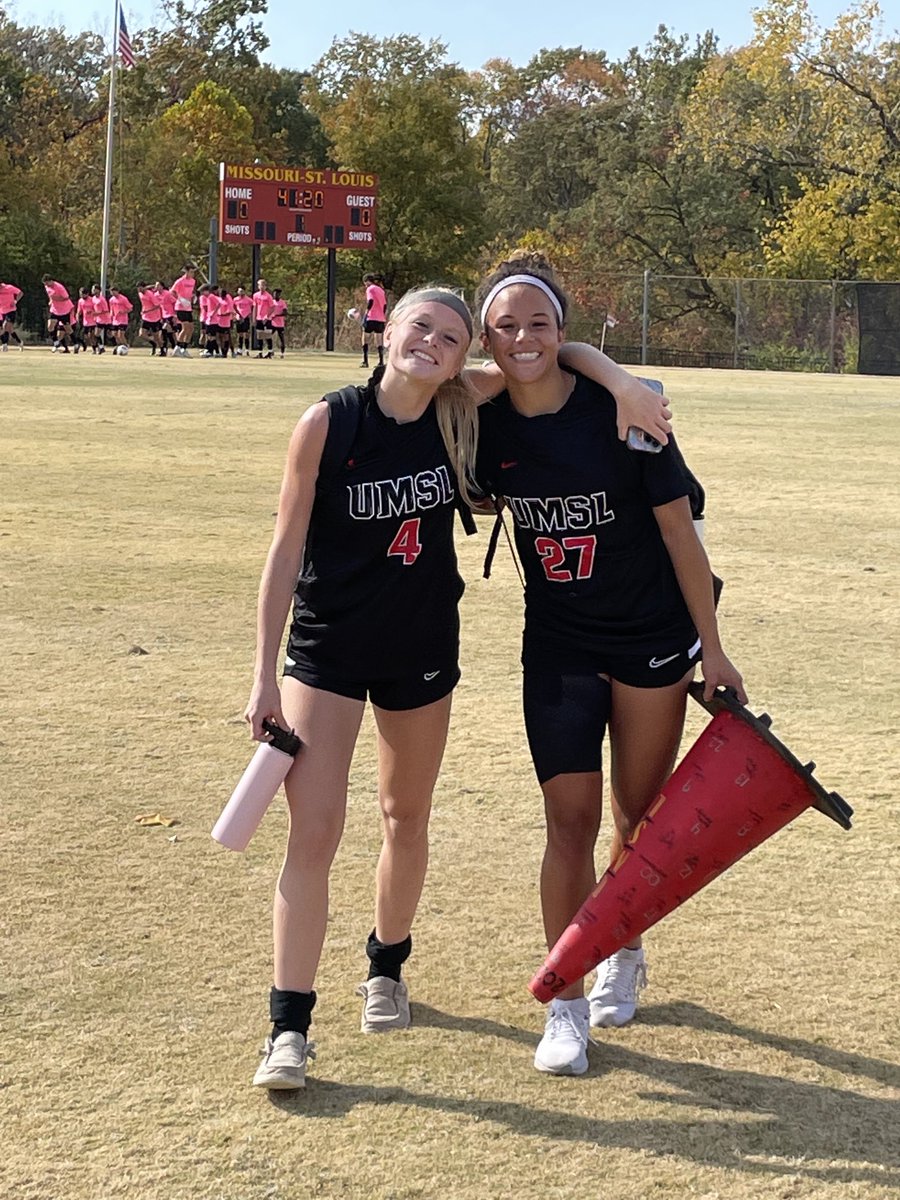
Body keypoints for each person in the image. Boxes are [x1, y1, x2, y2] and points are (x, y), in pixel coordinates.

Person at [240, 282, 673, 1091]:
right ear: (387, 331)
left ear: (459, 358)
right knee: (314, 834)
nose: (432, 344)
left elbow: (543, 350)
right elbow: (283, 551)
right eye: (420, 327)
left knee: (404, 816)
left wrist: (622, 383)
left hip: (422, 648)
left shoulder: (458, 409)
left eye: (450, 338)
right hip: (327, 654)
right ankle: (288, 1029)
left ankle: (386, 967)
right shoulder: (329, 421)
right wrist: (262, 675)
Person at [473, 254, 746, 1077]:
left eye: (540, 323)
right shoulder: (482, 423)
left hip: (649, 636)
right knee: (568, 821)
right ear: (486, 338)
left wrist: (714, 648)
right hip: (558, 641)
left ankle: (623, 949)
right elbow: (428, 382)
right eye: (506, 326)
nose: (524, 339)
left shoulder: (627, 412)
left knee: (636, 817)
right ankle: (563, 1002)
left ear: (563, 330)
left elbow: (679, 534)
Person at [359, 273, 387, 369]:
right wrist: (382, 315)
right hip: (380, 318)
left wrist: (366, 313)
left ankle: (365, 361)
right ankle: (381, 361)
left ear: (367, 281)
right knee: (379, 340)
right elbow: (384, 305)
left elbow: (370, 301)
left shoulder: (370, 289)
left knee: (365, 338)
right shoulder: (381, 290)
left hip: (371, 317)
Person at [42, 276, 74, 352]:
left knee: (67, 329)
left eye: (47, 283)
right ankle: (56, 343)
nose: (46, 285)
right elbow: (50, 295)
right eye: (45, 284)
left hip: (63, 310)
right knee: (50, 326)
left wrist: (56, 299)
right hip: (54, 309)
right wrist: (51, 300)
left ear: (51, 281)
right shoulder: (46, 286)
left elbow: (66, 297)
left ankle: (76, 343)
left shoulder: (59, 287)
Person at [172, 264, 197, 356]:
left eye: (193, 272)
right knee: (185, 327)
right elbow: (172, 291)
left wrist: (193, 297)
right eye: (191, 272)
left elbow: (191, 292)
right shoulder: (180, 281)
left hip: (188, 307)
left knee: (191, 328)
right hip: (180, 307)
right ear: (186, 272)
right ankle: (177, 347)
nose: (192, 274)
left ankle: (184, 348)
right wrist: (180, 299)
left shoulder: (193, 281)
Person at [136, 282, 164, 354]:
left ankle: (162, 350)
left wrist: (147, 310)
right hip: (145, 317)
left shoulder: (150, 295)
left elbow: (157, 306)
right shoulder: (140, 293)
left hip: (154, 318)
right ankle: (153, 343)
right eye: (138, 288)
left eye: (140, 288)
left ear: (144, 287)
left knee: (156, 337)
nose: (139, 290)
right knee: (141, 334)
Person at [252, 278, 275, 358]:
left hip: (266, 319)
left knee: (268, 335)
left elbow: (272, 307)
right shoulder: (255, 295)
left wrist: (267, 316)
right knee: (259, 335)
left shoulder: (268, 296)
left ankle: (270, 352)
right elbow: (255, 307)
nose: (261, 287)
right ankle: (260, 353)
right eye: (260, 285)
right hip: (259, 318)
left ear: (265, 286)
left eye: (263, 285)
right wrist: (254, 318)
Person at [0, 280, 24, 350]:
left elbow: (20, 293)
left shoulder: (9, 287)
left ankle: (5, 345)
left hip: (11, 310)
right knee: (9, 329)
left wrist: (15, 301)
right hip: (2, 311)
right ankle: (19, 342)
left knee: (6, 326)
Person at [91, 284, 112, 353]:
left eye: (94, 289)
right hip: (99, 320)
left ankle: (118, 345)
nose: (93, 290)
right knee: (96, 334)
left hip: (106, 319)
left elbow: (106, 310)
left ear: (98, 290)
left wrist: (97, 313)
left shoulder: (102, 299)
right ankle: (101, 347)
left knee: (110, 335)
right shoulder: (93, 298)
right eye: (92, 289)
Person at [234, 286, 253, 356]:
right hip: (239, 318)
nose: (240, 292)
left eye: (242, 291)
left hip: (246, 318)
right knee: (240, 334)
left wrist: (249, 314)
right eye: (239, 291)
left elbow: (252, 307)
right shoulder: (235, 299)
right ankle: (240, 349)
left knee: (246, 334)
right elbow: (234, 307)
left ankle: (247, 349)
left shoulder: (249, 300)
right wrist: (237, 315)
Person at [76, 287, 96, 354]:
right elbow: (79, 310)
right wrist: (77, 317)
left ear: (87, 294)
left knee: (91, 336)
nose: (82, 296)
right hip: (85, 321)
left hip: (93, 321)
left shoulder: (92, 300)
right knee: (83, 336)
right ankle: (84, 344)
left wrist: (91, 311)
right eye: (80, 294)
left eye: (83, 294)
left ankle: (94, 349)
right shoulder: (80, 301)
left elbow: (96, 309)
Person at [271, 288, 288, 357]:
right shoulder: (271, 302)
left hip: (280, 324)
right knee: (268, 336)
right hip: (272, 323)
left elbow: (285, 313)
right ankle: (271, 350)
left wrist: (276, 315)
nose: (275, 295)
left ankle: (282, 353)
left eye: (276, 294)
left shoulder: (282, 302)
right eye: (274, 294)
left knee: (281, 339)